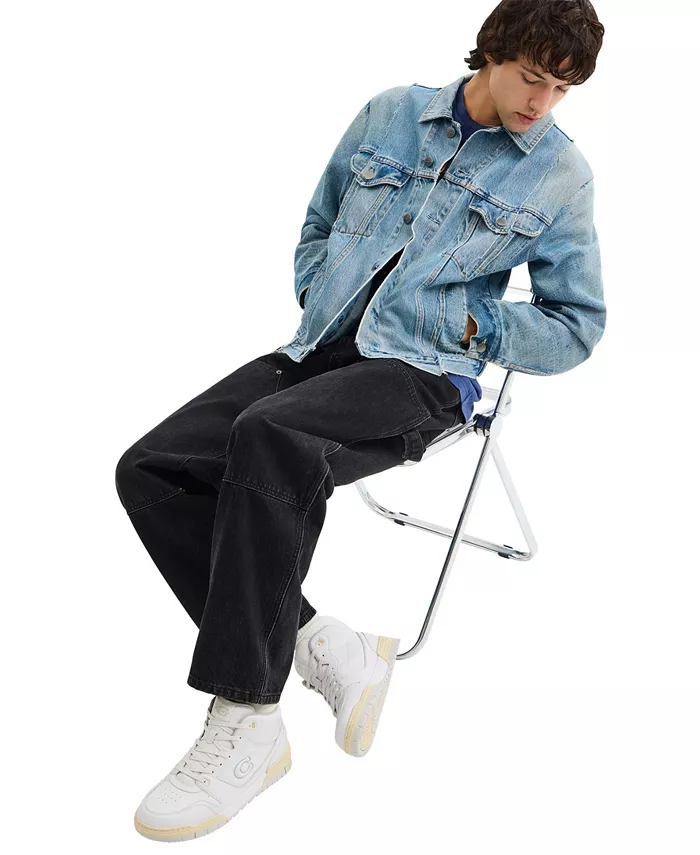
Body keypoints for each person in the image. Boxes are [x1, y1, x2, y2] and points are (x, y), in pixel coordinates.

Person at [115, 0, 606, 842]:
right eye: (532, 77)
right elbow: (319, 223)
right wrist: (319, 290)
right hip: (320, 349)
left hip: (425, 372)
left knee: (270, 437)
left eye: (562, 89)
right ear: (492, 53)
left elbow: (576, 324)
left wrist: (469, 325)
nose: (543, 103)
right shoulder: (391, 113)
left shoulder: (561, 174)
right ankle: (323, 642)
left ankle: (248, 718)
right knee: (151, 468)